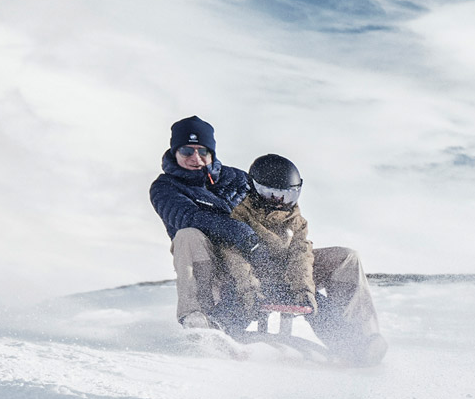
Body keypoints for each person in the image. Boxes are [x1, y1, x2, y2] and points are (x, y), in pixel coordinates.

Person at [148, 117, 386, 365]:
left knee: (346, 257)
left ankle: (361, 341)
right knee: (187, 235)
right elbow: (187, 216)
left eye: (202, 151)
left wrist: (296, 278)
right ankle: (200, 322)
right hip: (218, 266)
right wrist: (240, 233)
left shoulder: (238, 179)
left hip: (270, 261)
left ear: (211, 152)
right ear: (175, 151)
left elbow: (278, 211)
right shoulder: (165, 188)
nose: (195, 158)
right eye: (187, 151)